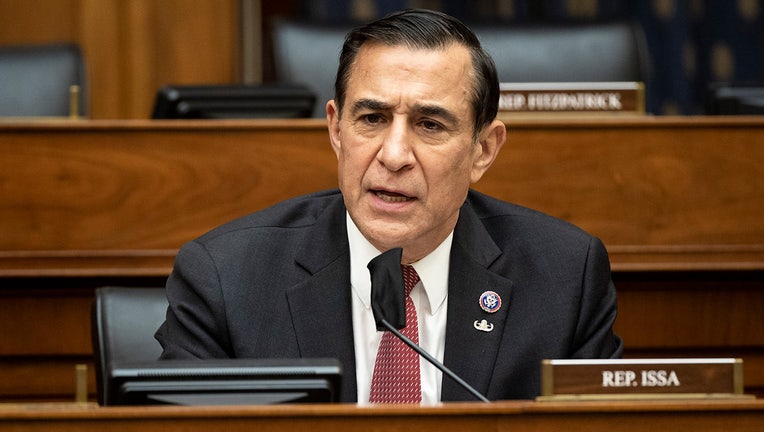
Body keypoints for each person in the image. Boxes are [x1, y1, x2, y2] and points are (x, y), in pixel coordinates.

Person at [155, 8, 622, 404]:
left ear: (483, 149)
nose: (394, 156)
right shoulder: (226, 280)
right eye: (372, 119)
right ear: (337, 130)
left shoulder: (564, 279)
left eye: (430, 125)